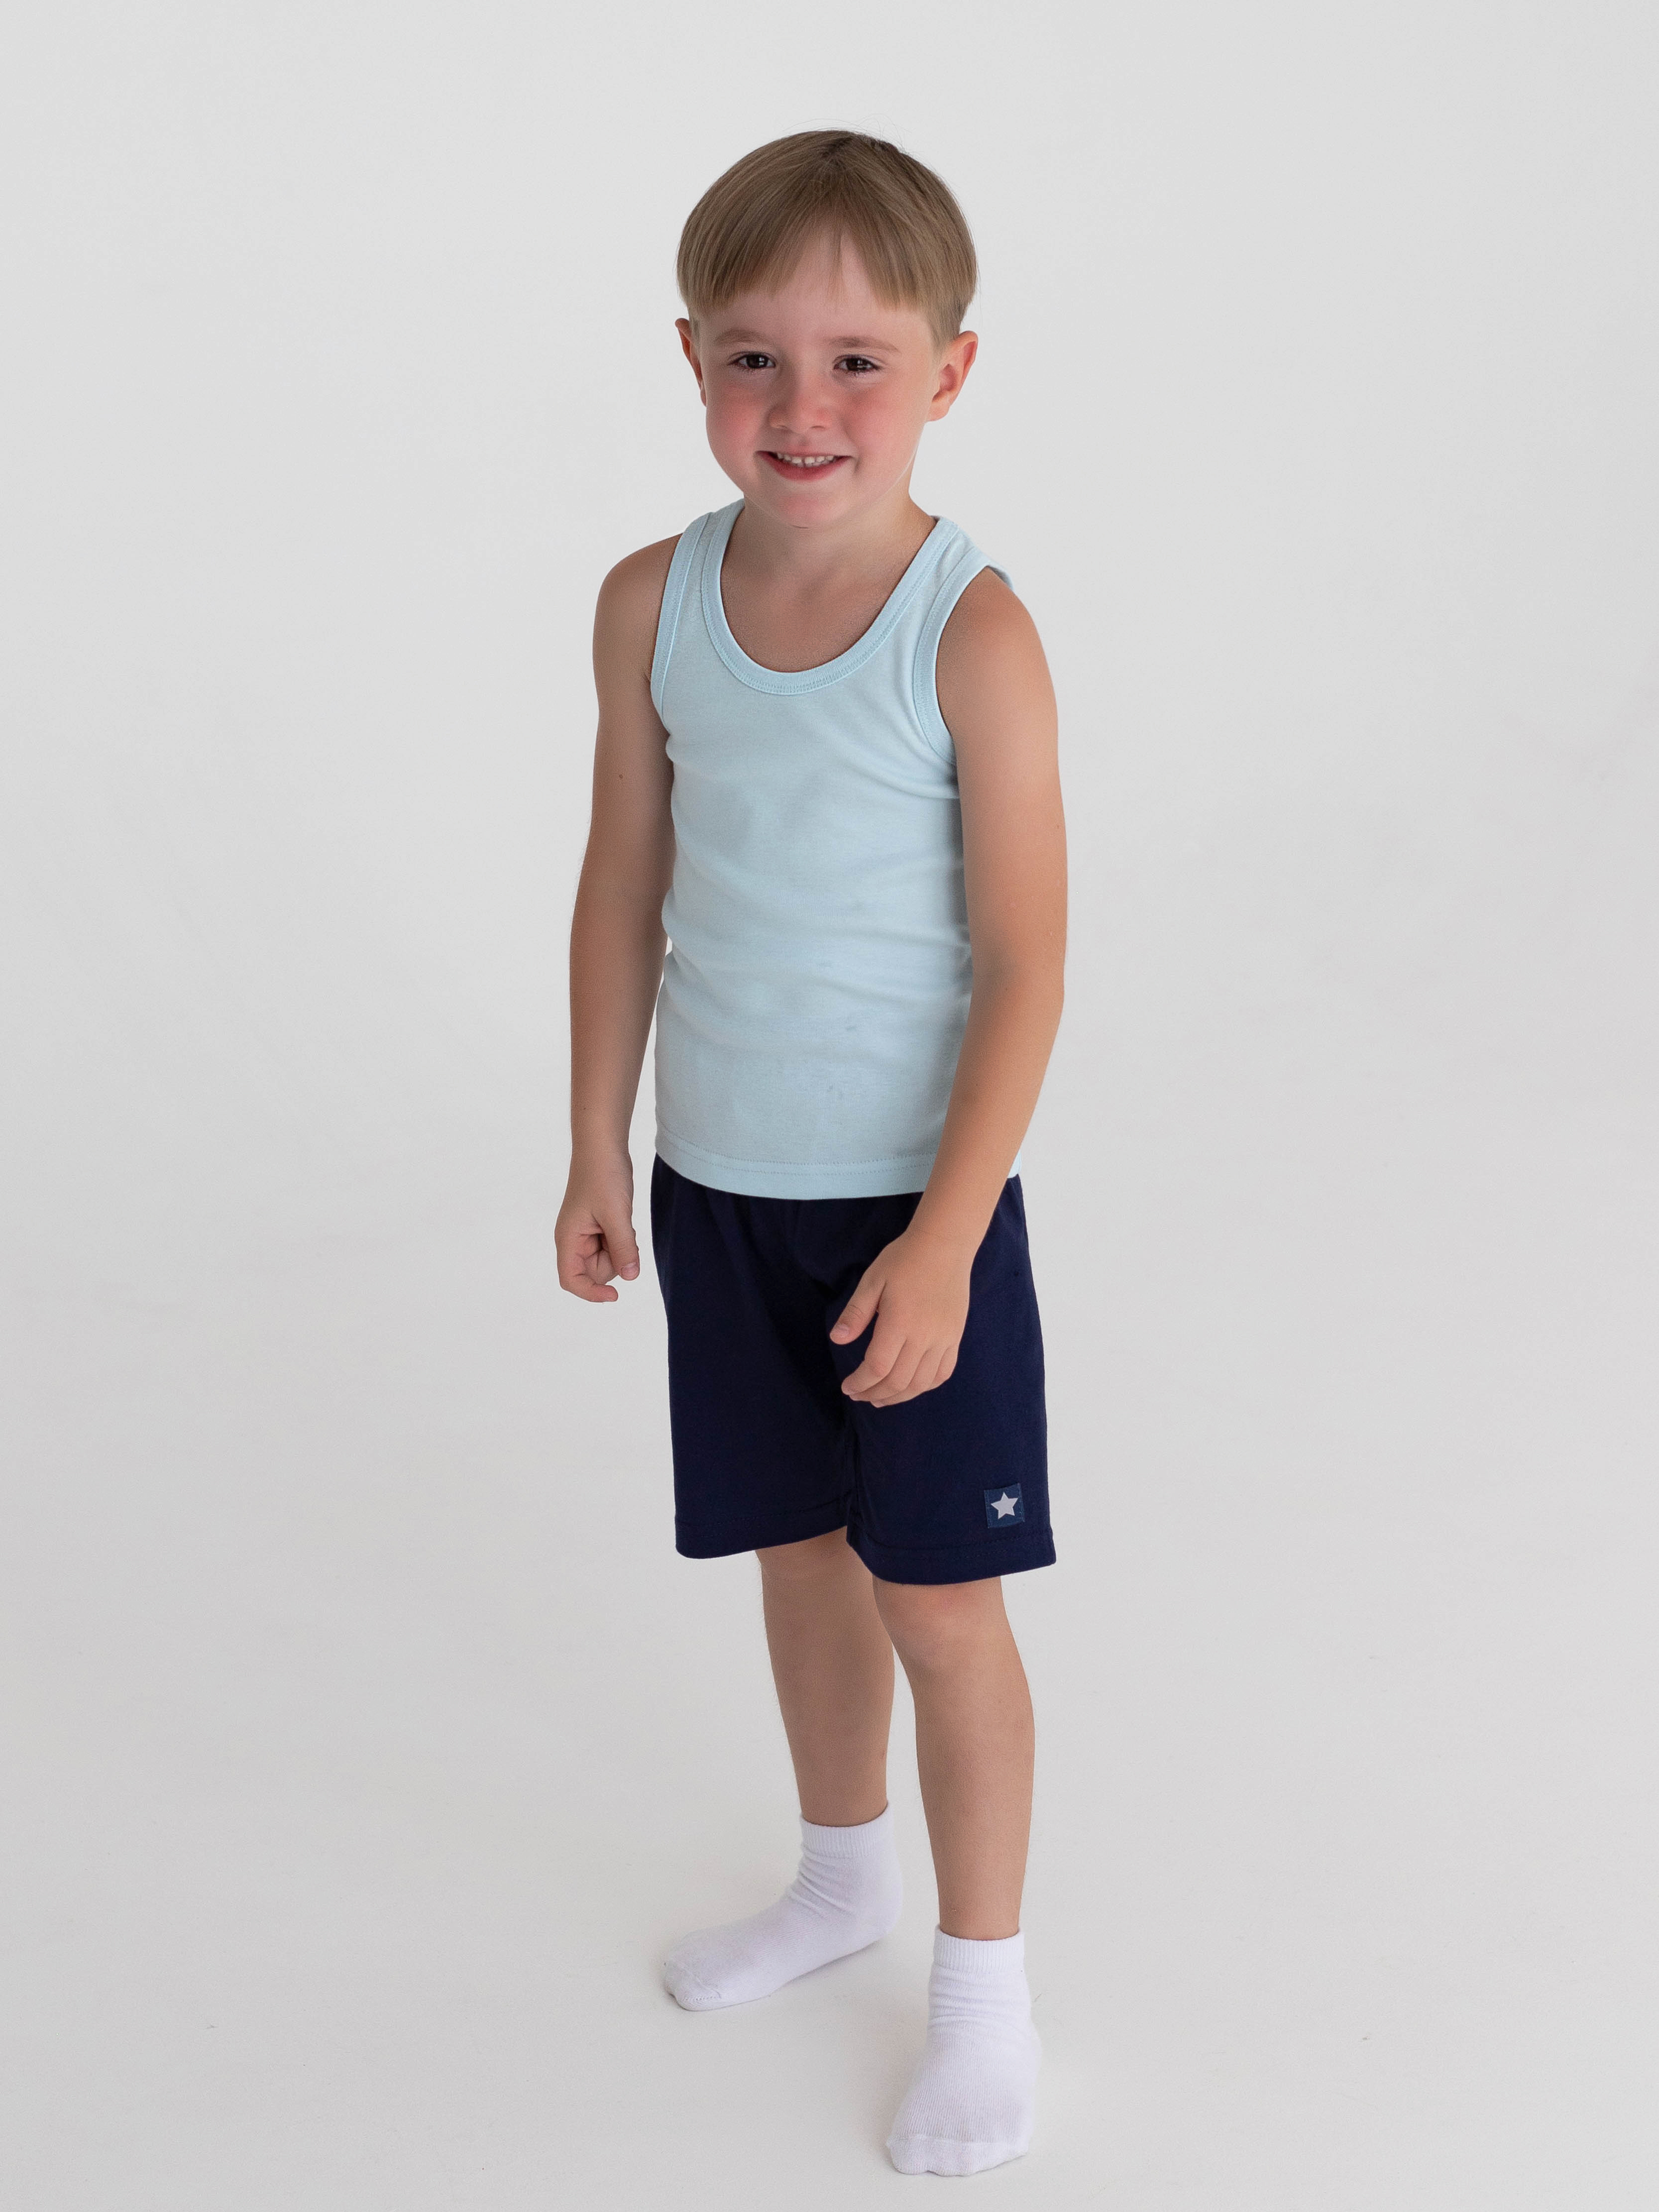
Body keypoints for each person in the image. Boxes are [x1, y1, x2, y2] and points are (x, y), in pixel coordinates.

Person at [555, 129, 1067, 2177]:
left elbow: (1028, 961)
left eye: (859, 360)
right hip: (722, 1191)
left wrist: (947, 1237)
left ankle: (987, 1994)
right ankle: (839, 1875)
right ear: (692, 359)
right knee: (799, 1556)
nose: (803, 405)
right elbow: (625, 879)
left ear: (950, 372)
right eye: (754, 356)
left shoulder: (974, 628)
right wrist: (598, 1137)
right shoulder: (651, 601)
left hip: (916, 1212)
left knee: (937, 1597)